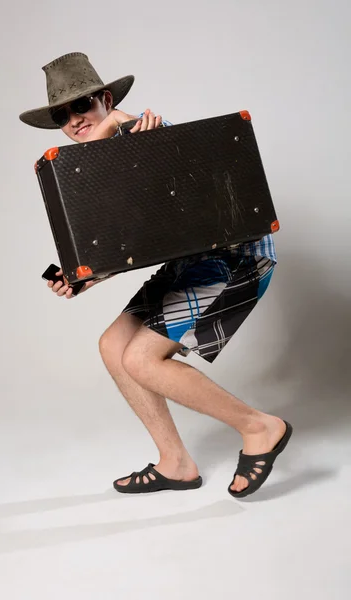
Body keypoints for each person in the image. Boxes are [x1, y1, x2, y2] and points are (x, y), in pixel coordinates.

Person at [20, 52, 292, 499]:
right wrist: (81, 277)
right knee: (113, 346)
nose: (74, 120)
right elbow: (139, 243)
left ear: (106, 100)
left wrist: (117, 132)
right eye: (62, 115)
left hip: (236, 257)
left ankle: (261, 427)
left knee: (142, 359)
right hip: (192, 261)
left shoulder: (145, 133)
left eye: (83, 105)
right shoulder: (96, 169)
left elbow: (200, 204)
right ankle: (176, 463)